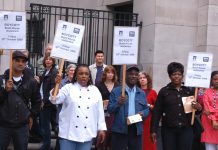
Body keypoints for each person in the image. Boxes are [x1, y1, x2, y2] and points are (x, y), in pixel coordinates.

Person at [50, 64, 107, 150]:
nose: (83, 76)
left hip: (86, 133)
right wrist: (56, 85)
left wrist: (101, 129)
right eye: (81, 73)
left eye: (86, 74)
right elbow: (55, 99)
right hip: (68, 133)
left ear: (89, 76)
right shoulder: (68, 88)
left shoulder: (95, 90)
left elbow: (100, 111)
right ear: (76, 75)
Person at [150, 62, 202, 150]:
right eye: (174, 74)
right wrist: (153, 130)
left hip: (186, 129)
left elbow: (196, 111)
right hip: (168, 130)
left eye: (179, 74)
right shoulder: (164, 91)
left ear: (182, 75)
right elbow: (157, 111)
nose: (177, 76)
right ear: (170, 76)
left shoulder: (189, 91)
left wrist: (199, 107)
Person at [0, 51, 41, 150]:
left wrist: (31, 115)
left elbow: (37, 101)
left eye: (23, 61)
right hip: (3, 125)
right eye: (17, 60)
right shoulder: (2, 80)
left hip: (22, 126)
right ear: (11, 61)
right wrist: (5, 91)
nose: (20, 63)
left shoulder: (31, 82)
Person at [108, 65, 150, 150]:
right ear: (125, 75)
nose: (133, 76)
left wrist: (143, 113)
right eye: (131, 74)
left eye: (136, 74)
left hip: (136, 129)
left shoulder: (141, 93)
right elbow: (110, 109)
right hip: (120, 129)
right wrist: (118, 103)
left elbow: (147, 109)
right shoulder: (116, 91)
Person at [96, 65, 120, 150]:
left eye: (112, 73)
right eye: (108, 72)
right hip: (102, 113)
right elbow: (95, 99)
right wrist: (103, 102)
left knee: (112, 135)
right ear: (105, 74)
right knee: (102, 135)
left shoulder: (118, 85)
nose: (110, 74)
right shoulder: (99, 84)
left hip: (114, 114)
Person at [55, 64, 77, 150]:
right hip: (63, 111)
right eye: (71, 70)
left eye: (74, 70)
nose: (72, 72)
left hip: (74, 113)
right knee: (61, 135)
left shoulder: (77, 83)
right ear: (67, 72)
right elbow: (59, 97)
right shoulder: (62, 82)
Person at [39, 54, 58, 150]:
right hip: (45, 102)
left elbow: (52, 89)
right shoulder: (46, 72)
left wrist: (44, 101)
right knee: (49, 125)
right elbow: (43, 87)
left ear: (53, 61)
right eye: (47, 59)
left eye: (50, 59)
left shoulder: (54, 72)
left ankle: (46, 145)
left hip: (48, 103)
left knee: (46, 126)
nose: (48, 61)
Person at [138, 71, 157, 150]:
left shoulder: (152, 92)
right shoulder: (135, 91)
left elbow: (157, 109)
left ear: (147, 80)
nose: (142, 79)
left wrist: (149, 105)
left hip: (149, 122)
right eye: (140, 78)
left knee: (149, 144)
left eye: (144, 78)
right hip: (137, 121)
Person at [201, 71, 218, 150]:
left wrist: (214, 116)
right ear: (211, 80)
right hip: (209, 123)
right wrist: (213, 120)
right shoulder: (207, 92)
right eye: (215, 79)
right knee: (210, 147)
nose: (217, 81)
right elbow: (206, 108)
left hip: (213, 120)